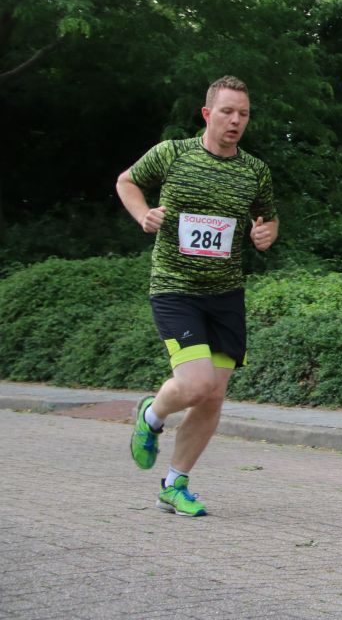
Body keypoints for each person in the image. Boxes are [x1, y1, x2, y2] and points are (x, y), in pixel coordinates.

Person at [117, 76, 278, 517]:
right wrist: (143, 215)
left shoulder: (255, 171)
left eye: (243, 114)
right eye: (227, 112)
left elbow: (268, 218)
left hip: (225, 294)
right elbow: (126, 181)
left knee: (213, 395)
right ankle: (151, 415)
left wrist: (265, 233)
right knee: (195, 384)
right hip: (176, 289)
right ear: (207, 114)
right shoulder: (172, 153)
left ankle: (174, 485)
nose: (236, 121)